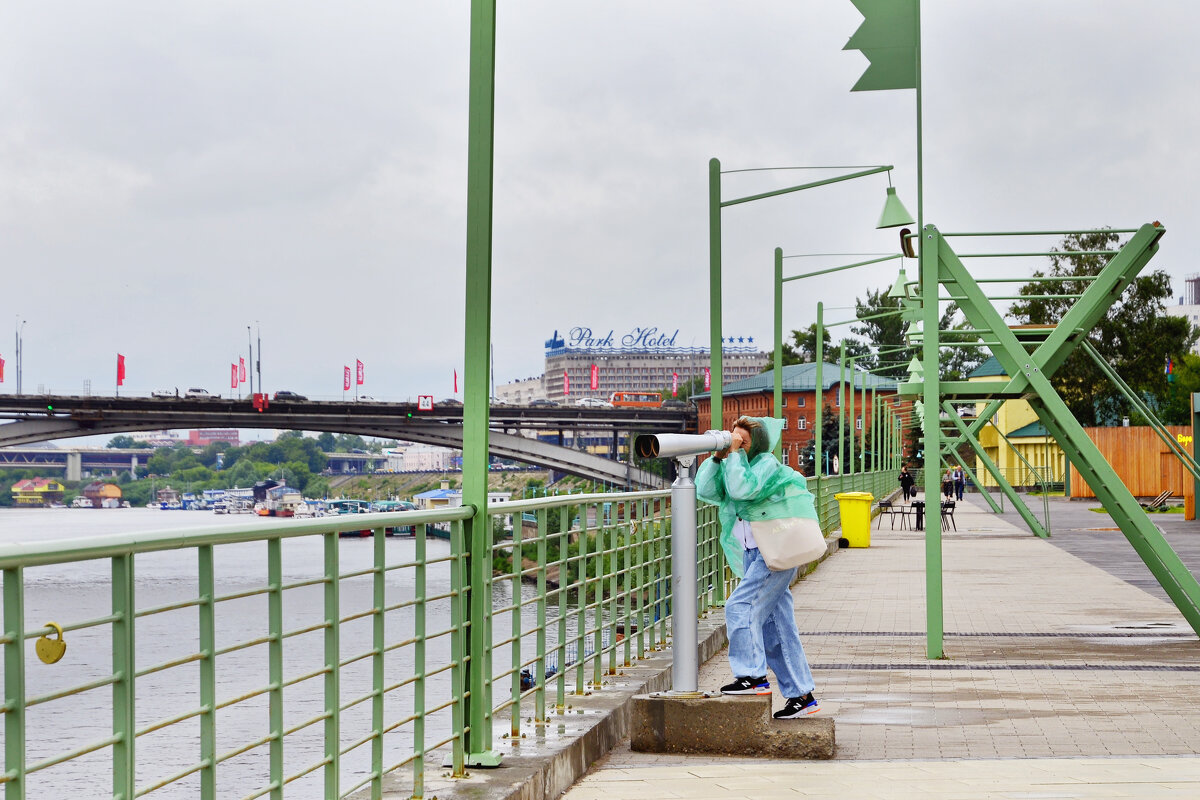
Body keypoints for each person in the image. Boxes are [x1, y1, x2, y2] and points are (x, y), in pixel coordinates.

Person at [695, 415, 820, 718]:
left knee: (740, 607)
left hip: (773, 552)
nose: (737, 443)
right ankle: (802, 696)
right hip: (756, 553)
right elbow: (706, 490)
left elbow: (741, 490)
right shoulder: (734, 463)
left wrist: (736, 455)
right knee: (775, 628)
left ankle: (752, 675)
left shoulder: (766, 465)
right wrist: (718, 456)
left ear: (757, 444)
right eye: (734, 437)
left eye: (743, 440)